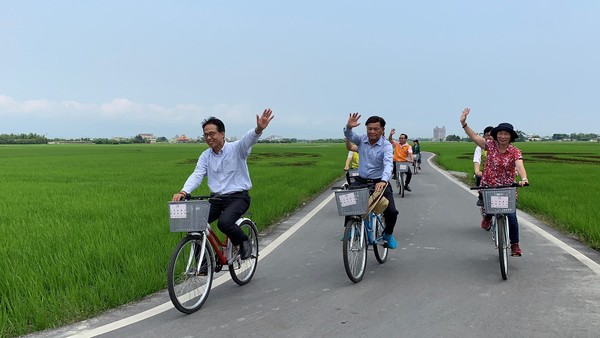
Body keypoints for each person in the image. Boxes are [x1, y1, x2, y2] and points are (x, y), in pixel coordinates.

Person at [172, 109, 274, 260]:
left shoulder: (237, 149)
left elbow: (248, 139)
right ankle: (205, 263)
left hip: (238, 198)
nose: (208, 137)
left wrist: (259, 129)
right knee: (194, 224)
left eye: (212, 133)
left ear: (222, 134)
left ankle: (244, 241)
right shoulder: (205, 156)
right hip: (216, 200)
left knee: (224, 223)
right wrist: (183, 191)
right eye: (206, 134)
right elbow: (197, 174)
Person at [460, 108, 529, 256]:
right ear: (496, 135)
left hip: (508, 186)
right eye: (500, 133)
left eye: (506, 134)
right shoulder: (489, 146)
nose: (503, 136)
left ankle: (515, 245)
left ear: (511, 136)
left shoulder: (515, 151)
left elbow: (520, 165)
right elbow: (473, 136)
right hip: (489, 184)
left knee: (511, 216)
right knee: (490, 207)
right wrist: (464, 123)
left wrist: (524, 178)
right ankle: (487, 216)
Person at [344, 113, 399, 249]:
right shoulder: (362, 140)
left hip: (380, 182)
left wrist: (384, 180)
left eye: (376, 129)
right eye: (369, 128)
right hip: (361, 180)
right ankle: (350, 230)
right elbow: (349, 136)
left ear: (382, 130)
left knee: (391, 212)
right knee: (348, 202)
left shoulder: (386, 145)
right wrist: (348, 127)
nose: (372, 131)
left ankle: (388, 234)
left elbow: (388, 164)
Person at [473, 126, 494, 206]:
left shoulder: (500, 146)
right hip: (484, 171)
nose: (490, 137)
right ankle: (481, 197)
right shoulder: (480, 148)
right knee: (480, 177)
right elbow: (477, 160)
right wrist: (477, 171)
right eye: (487, 135)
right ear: (484, 136)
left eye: (492, 135)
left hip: (498, 172)